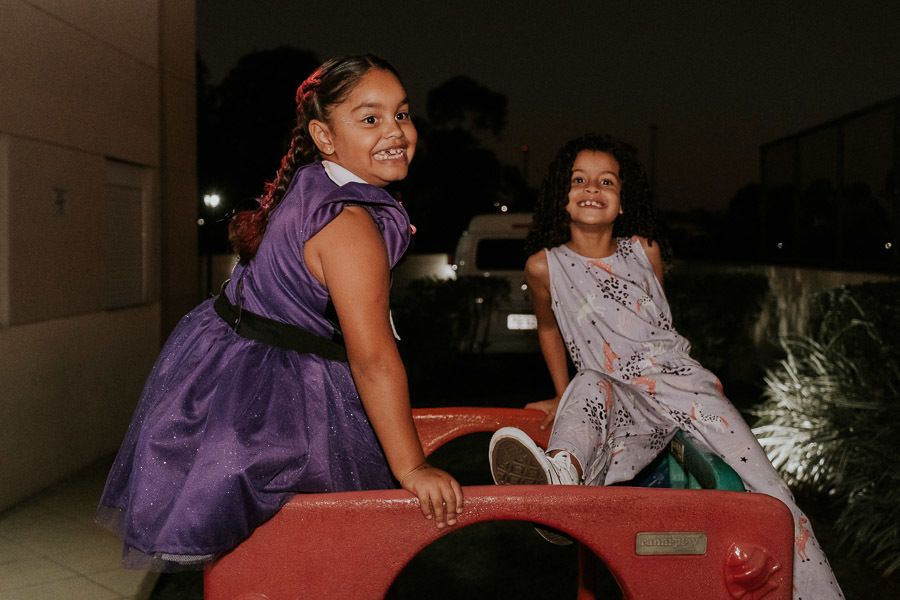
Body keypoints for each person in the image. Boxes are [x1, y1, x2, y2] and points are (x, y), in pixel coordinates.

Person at [96, 54, 463, 572]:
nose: (395, 131)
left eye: (401, 114)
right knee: (334, 558)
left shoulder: (314, 182)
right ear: (324, 135)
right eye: (370, 118)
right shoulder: (350, 224)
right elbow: (373, 359)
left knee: (280, 567)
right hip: (273, 396)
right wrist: (414, 466)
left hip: (223, 365)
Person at [488, 134, 843, 599]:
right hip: (620, 393)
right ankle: (561, 478)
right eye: (579, 180)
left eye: (607, 181)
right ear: (562, 197)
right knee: (589, 386)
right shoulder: (544, 266)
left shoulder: (643, 249)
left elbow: (657, 320)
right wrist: (561, 391)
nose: (592, 188)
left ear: (622, 202)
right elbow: (550, 329)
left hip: (684, 388)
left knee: (770, 491)